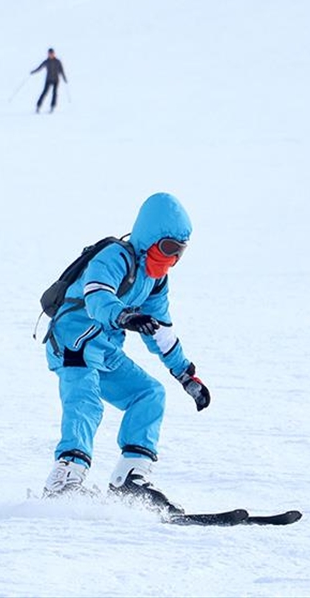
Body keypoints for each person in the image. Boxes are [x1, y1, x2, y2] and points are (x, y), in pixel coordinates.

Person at [39, 192, 209, 514]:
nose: (172, 259)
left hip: (104, 349)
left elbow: (161, 329)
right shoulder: (115, 256)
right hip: (74, 341)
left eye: (180, 253)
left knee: (149, 394)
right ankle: (65, 478)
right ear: (150, 239)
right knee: (85, 402)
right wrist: (124, 316)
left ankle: (129, 479)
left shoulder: (155, 282)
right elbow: (96, 293)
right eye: (169, 248)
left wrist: (185, 374)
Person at [30, 48, 68, 114]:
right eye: (49, 54)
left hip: (56, 80)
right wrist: (33, 72)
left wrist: (64, 78)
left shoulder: (57, 61)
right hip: (48, 79)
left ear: (54, 54)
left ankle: (52, 106)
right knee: (44, 92)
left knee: (54, 93)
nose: (51, 55)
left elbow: (61, 70)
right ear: (48, 54)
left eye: (52, 54)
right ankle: (38, 106)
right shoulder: (46, 61)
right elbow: (39, 68)